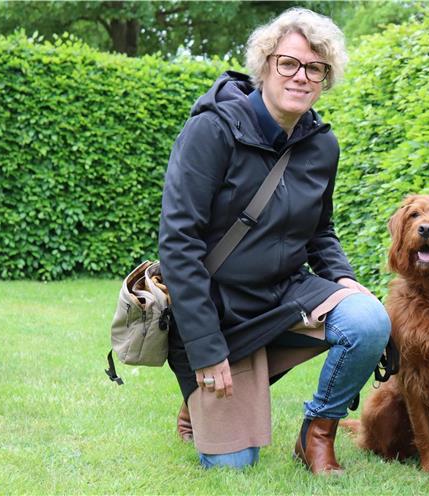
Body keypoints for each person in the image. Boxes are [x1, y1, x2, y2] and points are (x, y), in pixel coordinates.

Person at [158, 7, 390, 474]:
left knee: (368, 320)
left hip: (285, 296)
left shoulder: (323, 145)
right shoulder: (212, 129)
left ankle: (317, 432)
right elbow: (179, 242)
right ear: (265, 65)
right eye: (289, 63)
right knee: (233, 465)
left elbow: (320, 230)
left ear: (326, 77)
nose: (301, 76)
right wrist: (205, 347)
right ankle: (200, 395)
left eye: (315, 68)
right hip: (220, 309)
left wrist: (343, 279)